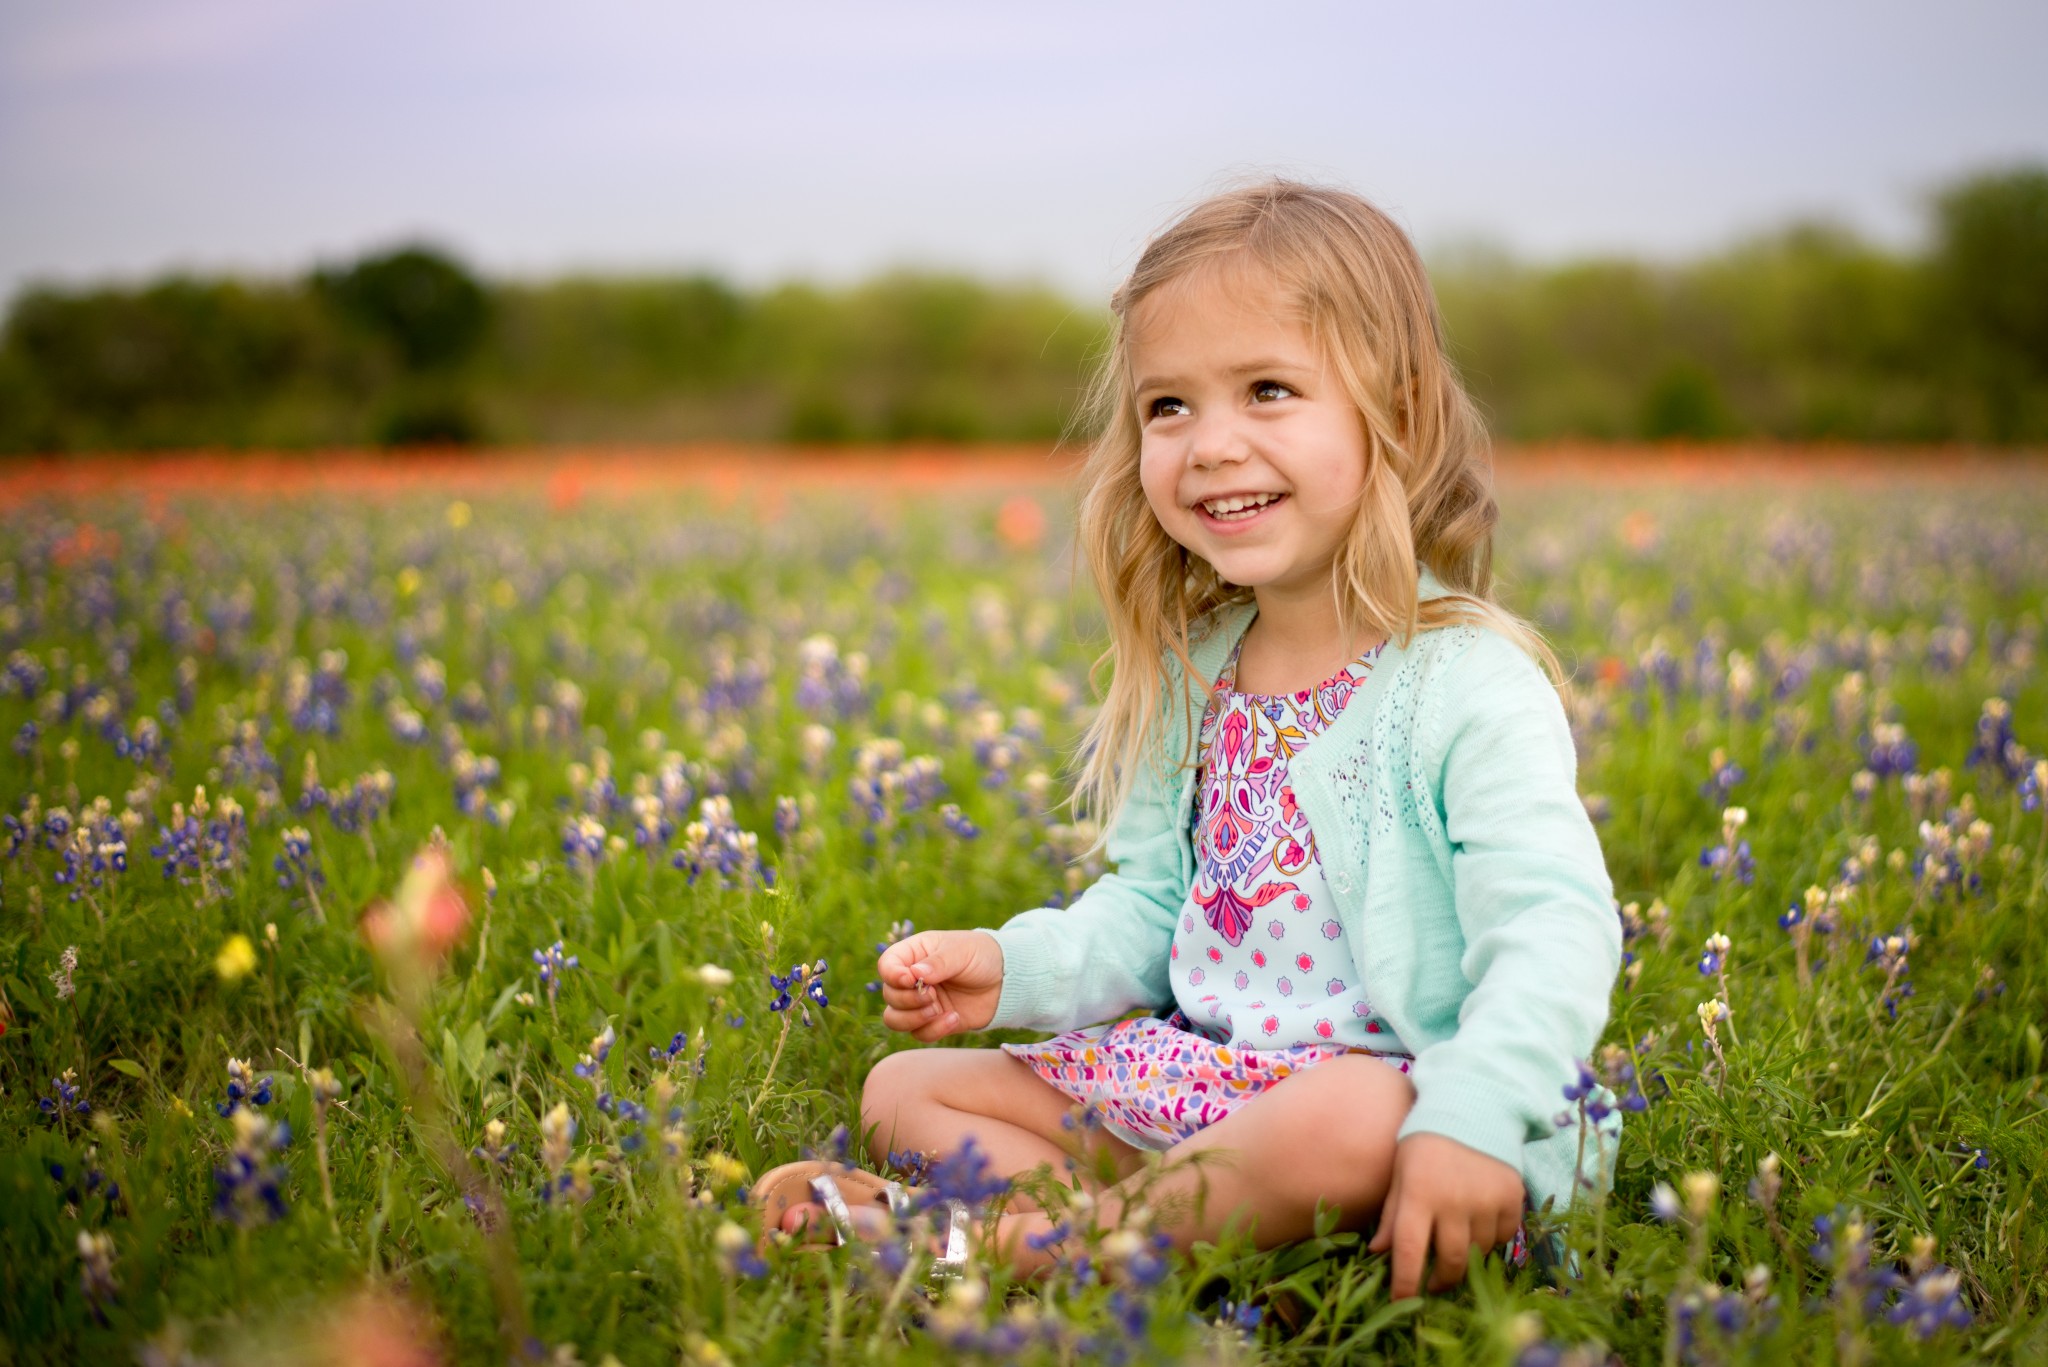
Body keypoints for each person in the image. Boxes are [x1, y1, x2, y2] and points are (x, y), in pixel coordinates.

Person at [760, 179, 1621, 1299]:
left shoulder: (1466, 682)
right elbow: (1147, 910)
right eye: (1168, 406)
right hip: (1210, 1093)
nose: (1210, 445)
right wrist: (1013, 966)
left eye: (1267, 390)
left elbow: (1552, 928)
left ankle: (1027, 1249)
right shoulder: (1196, 670)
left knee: (1351, 1112)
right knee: (905, 1086)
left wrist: (1474, 1115)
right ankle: (1156, 1236)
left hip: (1412, 1127)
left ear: (1396, 414)